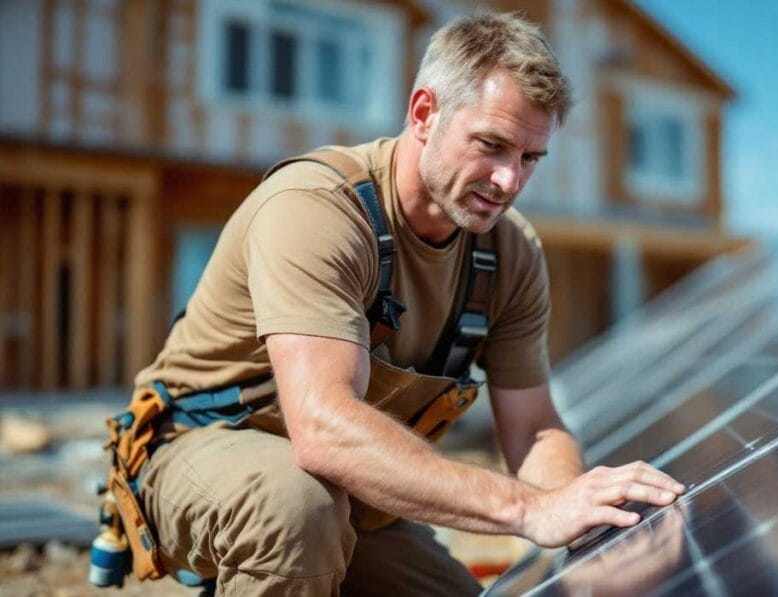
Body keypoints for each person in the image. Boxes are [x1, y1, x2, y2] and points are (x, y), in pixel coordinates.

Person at [121, 11, 685, 596]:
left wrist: (579, 517)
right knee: (293, 511)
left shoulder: (510, 255)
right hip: (203, 452)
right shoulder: (318, 207)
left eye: (529, 158)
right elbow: (323, 427)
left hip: (352, 492)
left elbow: (535, 425)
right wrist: (526, 510)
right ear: (424, 113)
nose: (509, 180)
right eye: (491, 145)